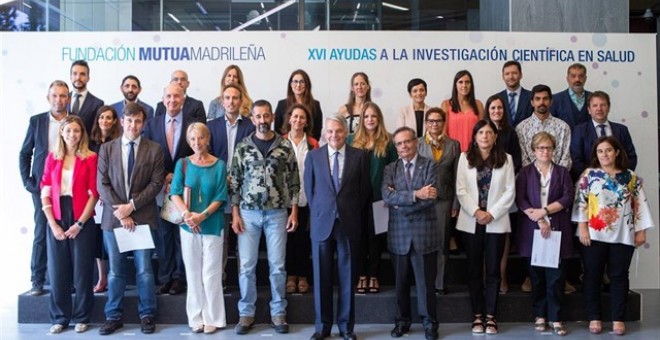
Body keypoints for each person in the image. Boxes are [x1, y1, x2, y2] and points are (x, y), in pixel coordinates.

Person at [229, 100, 300, 335]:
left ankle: (278, 312)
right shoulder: (243, 147)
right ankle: (246, 314)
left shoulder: (284, 146)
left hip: (277, 213)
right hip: (248, 215)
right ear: (252, 119)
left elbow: (293, 181)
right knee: (246, 266)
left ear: (272, 117)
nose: (262, 120)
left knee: (277, 266)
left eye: (266, 115)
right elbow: (235, 182)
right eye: (258, 116)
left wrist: (294, 211)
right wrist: (235, 214)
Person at [572, 136, 654, 336]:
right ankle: (594, 317)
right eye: (600, 151)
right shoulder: (589, 175)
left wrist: (641, 231)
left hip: (623, 235)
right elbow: (581, 202)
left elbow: (639, 204)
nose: (604, 154)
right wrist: (582, 227)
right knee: (592, 276)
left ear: (617, 152)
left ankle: (618, 318)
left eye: (608, 150)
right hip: (593, 235)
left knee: (618, 277)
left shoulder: (630, 177)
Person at [97, 102, 165, 335]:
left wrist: (132, 207)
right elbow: (102, 184)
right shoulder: (107, 149)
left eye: (138, 121)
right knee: (115, 272)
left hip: (142, 219)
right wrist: (122, 211)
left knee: (145, 270)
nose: (133, 125)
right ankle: (112, 316)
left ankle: (147, 314)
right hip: (113, 220)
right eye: (129, 120)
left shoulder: (154, 149)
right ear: (122, 121)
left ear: (143, 123)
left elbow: (156, 184)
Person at [304, 114, 371, 340]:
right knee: (321, 277)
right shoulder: (313, 157)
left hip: (348, 223)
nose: (334, 135)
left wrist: (346, 210)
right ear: (324, 133)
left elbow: (363, 193)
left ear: (346, 133)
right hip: (322, 223)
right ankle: (322, 327)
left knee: (347, 276)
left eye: (339, 131)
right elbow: (310, 192)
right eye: (330, 131)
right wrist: (324, 212)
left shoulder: (360, 156)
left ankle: (345, 327)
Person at [40, 115, 99, 334]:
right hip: (56, 215)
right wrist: (53, 225)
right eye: (68, 131)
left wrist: (80, 223)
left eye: (76, 131)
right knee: (58, 271)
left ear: (82, 133)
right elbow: (44, 191)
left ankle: (82, 316)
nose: (72, 135)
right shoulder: (52, 158)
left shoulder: (91, 157)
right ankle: (60, 318)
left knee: (82, 271)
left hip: (81, 216)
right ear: (62, 133)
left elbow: (94, 193)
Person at [455, 120, 515, 335]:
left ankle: (491, 316)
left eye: (489, 132)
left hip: (495, 221)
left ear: (495, 136)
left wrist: (492, 213)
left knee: (493, 270)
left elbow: (510, 191)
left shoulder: (506, 159)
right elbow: (461, 190)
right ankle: (477, 316)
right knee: (473, 270)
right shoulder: (465, 157)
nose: (485, 136)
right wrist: (477, 212)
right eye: (481, 132)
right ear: (475, 136)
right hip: (472, 220)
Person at [383, 126, 441, 340]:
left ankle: (430, 324)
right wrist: (417, 193)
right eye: (399, 143)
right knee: (400, 285)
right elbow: (386, 197)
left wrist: (401, 201)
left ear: (415, 142)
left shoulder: (429, 166)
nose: (403, 146)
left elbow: (431, 198)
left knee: (426, 285)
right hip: (398, 236)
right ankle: (402, 322)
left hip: (424, 235)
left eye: (407, 141)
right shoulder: (390, 169)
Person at [170, 123, 228, 334]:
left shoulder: (220, 165)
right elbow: (175, 192)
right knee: (193, 274)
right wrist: (187, 215)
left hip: (212, 225)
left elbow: (221, 196)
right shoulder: (183, 164)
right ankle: (196, 317)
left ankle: (213, 317)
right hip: (188, 227)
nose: (197, 143)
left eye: (201, 138)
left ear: (208, 139)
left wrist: (201, 216)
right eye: (193, 139)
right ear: (188, 141)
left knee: (211, 274)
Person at [515, 132, 574, 336]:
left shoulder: (562, 172)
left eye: (548, 148)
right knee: (537, 278)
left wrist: (546, 211)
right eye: (541, 148)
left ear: (553, 150)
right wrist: (539, 218)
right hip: (533, 231)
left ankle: (556, 318)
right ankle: (540, 315)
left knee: (556, 278)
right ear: (533, 151)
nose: (545, 151)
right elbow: (520, 199)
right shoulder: (525, 173)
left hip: (557, 229)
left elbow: (568, 197)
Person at [143, 83, 196, 296]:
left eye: (177, 96)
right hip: (161, 188)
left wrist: (180, 176)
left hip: (185, 189)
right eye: (168, 96)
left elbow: (198, 152)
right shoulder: (152, 124)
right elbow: (146, 156)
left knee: (182, 234)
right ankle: (165, 278)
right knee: (163, 236)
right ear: (163, 99)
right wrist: (164, 175)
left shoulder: (193, 125)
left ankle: (180, 278)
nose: (172, 100)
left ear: (183, 98)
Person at [19, 80, 71, 296]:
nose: (59, 100)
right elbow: (25, 153)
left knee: (68, 233)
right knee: (42, 231)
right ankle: (37, 280)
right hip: (43, 186)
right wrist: (28, 182)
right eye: (55, 95)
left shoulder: (74, 121)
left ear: (68, 98)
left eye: (62, 95)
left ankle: (70, 281)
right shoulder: (37, 121)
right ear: (48, 98)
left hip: (69, 185)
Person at [208, 83, 256, 289]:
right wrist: (221, 177)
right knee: (221, 239)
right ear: (222, 101)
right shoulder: (211, 127)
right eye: (227, 98)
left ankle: (244, 283)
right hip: (218, 189)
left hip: (244, 191)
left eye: (235, 98)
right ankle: (221, 280)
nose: (231, 102)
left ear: (241, 101)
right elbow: (207, 157)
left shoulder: (250, 127)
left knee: (243, 237)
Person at [347, 102, 397, 295]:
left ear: (379, 119)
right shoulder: (351, 139)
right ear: (361, 119)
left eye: (373, 116)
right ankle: (361, 275)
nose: (370, 120)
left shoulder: (387, 140)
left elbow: (394, 169)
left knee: (376, 238)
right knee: (358, 237)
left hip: (380, 197)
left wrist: (390, 192)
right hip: (356, 199)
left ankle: (373, 275)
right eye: (366, 116)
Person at [416, 107, 460, 295]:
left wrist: (456, 203)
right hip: (422, 200)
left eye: (438, 121)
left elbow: (458, 175)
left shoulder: (453, 145)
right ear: (426, 123)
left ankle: (440, 283)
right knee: (421, 242)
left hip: (444, 200)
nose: (435, 124)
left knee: (442, 243)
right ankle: (423, 282)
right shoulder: (417, 144)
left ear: (444, 123)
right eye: (431, 121)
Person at [484, 94, 522, 294]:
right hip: (483, 192)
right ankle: (487, 276)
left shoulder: (510, 133)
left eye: (499, 108)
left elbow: (516, 160)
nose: (496, 111)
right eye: (493, 108)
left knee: (503, 235)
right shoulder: (482, 130)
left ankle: (502, 276)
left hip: (505, 190)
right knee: (485, 237)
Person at [282, 104, 320, 294]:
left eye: (302, 117)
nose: (298, 120)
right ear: (289, 119)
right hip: (283, 201)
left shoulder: (313, 144)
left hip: (306, 199)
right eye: (295, 116)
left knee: (303, 239)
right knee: (287, 240)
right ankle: (290, 275)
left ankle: (303, 276)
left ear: (306, 122)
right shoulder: (279, 142)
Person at [88, 106, 122, 294]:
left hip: (111, 197)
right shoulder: (90, 142)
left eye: (109, 117)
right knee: (97, 241)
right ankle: (102, 278)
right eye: (102, 117)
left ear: (115, 121)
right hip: (92, 198)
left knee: (112, 240)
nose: (105, 121)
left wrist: (107, 194)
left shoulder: (118, 143)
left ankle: (114, 277)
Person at [570, 91, 637, 180]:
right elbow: (576, 160)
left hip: (620, 182)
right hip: (591, 183)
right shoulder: (579, 131)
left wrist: (621, 176)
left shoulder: (622, 130)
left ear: (608, 108)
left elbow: (631, 157)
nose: (599, 109)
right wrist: (595, 178)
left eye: (603, 105)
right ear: (589, 110)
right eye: (595, 105)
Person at [516, 84, 572, 169]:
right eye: (537, 99)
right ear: (532, 102)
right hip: (530, 179)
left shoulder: (563, 127)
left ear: (551, 101)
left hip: (558, 179)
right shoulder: (521, 128)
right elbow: (524, 159)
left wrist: (556, 176)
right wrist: (535, 177)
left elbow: (566, 158)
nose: (541, 102)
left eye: (545, 98)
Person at [441, 70, 485, 152]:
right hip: (452, 152)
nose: (464, 85)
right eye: (460, 82)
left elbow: (482, 131)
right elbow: (443, 132)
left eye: (467, 82)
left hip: (474, 152)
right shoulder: (446, 104)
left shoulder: (478, 104)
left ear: (471, 85)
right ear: (455, 85)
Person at [275, 69, 324, 140]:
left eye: (302, 82)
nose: (298, 85)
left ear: (307, 84)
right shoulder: (281, 104)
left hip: (308, 146)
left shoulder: (315, 105)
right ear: (291, 84)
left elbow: (317, 130)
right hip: (285, 146)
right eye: (295, 81)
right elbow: (277, 130)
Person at [550, 63, 592, 130]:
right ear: (567, 78)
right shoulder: (555, 100)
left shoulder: (594, 98)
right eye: (573, 76)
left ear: (585, 78)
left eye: (581, 76)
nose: (577, 79)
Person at [69, 59, 105, 136]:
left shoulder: (98, 104)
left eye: (82, 74)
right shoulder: (62, 100)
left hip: (87, 146)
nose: (78, 77)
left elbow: (97, 132)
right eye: (75, 74)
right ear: (70, 77)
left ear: (88, 78)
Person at [495, 60, 533, 128]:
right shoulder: (496, 98)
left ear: (521, 75)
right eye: (507, 74)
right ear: (503, 77)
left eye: (514, 73)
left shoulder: (531, 97)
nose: (511, 77)